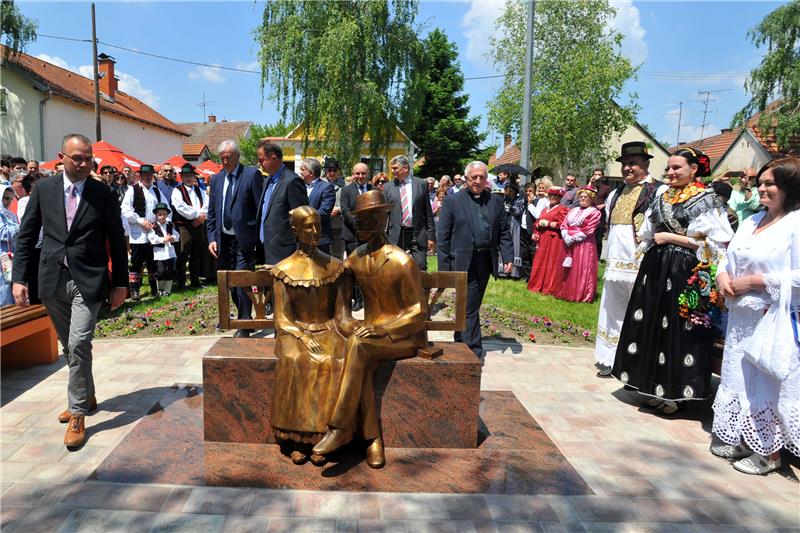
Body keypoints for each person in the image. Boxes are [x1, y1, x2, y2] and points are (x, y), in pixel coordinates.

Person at [11, 133, 128, 449]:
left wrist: (121, 283)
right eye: (77, 158)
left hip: (88, 279)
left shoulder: (102, 193)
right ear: (61, 157)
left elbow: (117, 239)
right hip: (51, 279)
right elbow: (26, 236)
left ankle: (77, 413)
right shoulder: (44, 190)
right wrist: (19, 278)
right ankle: (87, 396)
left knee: (78, 343)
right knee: (69, 345)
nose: (83, 163)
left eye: (87, 158)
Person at [611, 147, 733, 414]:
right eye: (668, 168)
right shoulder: (662, 196)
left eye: (677, 168)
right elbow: (646, 232)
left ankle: (675, 393)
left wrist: (671, 238)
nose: (671, 172)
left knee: (678, 327)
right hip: (656, 267)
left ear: (694, 169)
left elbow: (716, 243)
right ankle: (653, 385)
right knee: (653, 324)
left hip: (684, 269)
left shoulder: (706, 199)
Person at [312, 190, 429, 468]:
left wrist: (383, 330)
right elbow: (342, 313)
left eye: (366, 220)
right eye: (358, 220)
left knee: (359, 347)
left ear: (382, 220)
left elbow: (418, 312)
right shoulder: (354, 259)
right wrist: (352, 326)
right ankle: (372, 440)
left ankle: (340, 428)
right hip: (368, 339)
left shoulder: (402, 261)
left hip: (403, 337)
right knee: (356, 348)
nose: (360, 225)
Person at [711, 157, 800, 475]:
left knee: (765, 381)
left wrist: (754, 281)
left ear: (789, 186)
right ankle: (742, 436)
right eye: (760, 182)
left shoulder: (796, 223)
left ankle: (769, 452)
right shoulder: (752, 220)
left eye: (769, 183)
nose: (761, 187)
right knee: (739, 377)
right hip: (740, 319)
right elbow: (728, 253)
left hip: (772, 317)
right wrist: (722, 275)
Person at [270, 206, 348, 466]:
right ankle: (298, 438)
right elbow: (281, 318)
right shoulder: (284, 270)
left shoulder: (335, 267)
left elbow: (341, 315)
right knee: (298, 361)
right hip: (295, 332)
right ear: (295, 230)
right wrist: (302, 337)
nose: (315, 232)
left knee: (334, 360)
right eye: (308, 227)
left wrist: (354, 333)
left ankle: (329, 436)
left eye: (318, 226)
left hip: (329, 329)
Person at [595, 141, 666, 376]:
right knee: (611, 308)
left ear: (646, 164)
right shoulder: (615, 192)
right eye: (625, 164)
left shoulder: (658, 191)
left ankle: (634, 361)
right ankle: (609, 357)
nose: (627, 168)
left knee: (639, 311)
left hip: (640, 260)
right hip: (615, 260)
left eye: (633, 163)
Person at [437, 161, 513, 360]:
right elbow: (443, 237)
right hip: (462, 261)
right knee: (470, 305)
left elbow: (504, 231)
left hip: (486, 260)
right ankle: (472, 351)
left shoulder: (495, 201)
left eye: (481, 177)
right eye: (474, 177)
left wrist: (508, 256)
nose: (478, 181)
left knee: (470, 305)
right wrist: (444, 269)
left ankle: (460, 340)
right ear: (466, 178)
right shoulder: (453, 201)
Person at [206, 140, 264, 338]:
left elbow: (259, 210)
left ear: (237, 156)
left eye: (228, 157)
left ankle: (244, 325)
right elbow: (212, 212)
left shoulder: (251, 175)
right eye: (221, 157)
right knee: (230, 283)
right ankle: (245, 320)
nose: (224, 160)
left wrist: (257, 238)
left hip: (244, 241)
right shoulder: (216, 179)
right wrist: (211, 237)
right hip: (223, 241)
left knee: (242, 282)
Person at [257, 141, 308, 266]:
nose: (260, 164)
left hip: (285, 252)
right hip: (265, 248)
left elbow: (301, 219)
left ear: (273, 158)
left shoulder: (292, 181)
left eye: (262, 160)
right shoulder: (267, 180)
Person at [121, 164, 166, 301]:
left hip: (153, 233)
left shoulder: (157, 191)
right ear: (139, 176)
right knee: (136, 263)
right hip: (138, 234)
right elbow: (125, 210)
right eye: (145, 175)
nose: (147, 177)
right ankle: (135, 290)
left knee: (152, 263)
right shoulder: (132, 190)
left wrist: (159, 222)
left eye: (150, 175)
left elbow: (165, 207)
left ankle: (154, 288)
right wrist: (140, 221)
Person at [383, 155, 435, 271]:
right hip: (397, 233)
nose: (392, 171)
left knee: (420, 266)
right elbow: (384, 213)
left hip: (417, 233)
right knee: (395, 267)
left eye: (395, 168)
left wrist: (431, 236)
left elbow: (428, 212)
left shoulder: (421, 184)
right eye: (392, 168)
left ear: (405, 168)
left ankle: (419, 289)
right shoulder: (388, 187)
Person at [554, 187, 602, 302]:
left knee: (581, 267)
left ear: (591, 199)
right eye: (581, 196)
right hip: (568, 242)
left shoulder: (595, 212)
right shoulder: (573, 210)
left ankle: (580, 293)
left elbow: (589, 229)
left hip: (584, 244)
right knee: (567, 266)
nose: (583, 198)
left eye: (586, 197)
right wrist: (566, 235)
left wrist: (574, 237)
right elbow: (564, 224)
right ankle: (564, 290)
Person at [340, 162, 372, 311]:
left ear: (368, 174)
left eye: (363, 173)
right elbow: (345, 210)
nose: (360, 176)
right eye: (357, 173)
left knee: (368, 269)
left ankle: (369, 299)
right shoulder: (346, 190)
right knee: (354, 269)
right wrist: (359, 226)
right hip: (352, 235)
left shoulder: (373, 189)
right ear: (353, 174)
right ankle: (357, 299)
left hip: (370, 236)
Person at [171, 163, 208, 289]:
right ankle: (181, 282)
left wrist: (202, 217)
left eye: (190, 176)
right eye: (186, 176)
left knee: (197, 254)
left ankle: (195, 280)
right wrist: (197, 215)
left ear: (194, 177)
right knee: (183, 254)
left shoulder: (200, 190)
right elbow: (180, 207)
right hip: (185, 226)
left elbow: (207, 205)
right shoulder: (177, 190)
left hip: (199, 225)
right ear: (181, 177)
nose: (188, 178)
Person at [528, 188, 568, 295]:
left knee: (552, 262)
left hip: (555, 239)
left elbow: (563, 225)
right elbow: (537, 221)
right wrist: (536, 229)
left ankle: (549, 287)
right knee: (540, 261)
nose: (553, 197)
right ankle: (537, 285)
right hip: (543, 238)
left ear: (560, 198)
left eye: (556, 196)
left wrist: (549, 224)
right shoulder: (544, 209)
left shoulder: (562, 209)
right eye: (551, 195)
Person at [299, 158, 335, 255]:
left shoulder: (326, 188)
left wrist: (303, 219)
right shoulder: (298, 186)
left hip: (319, 239)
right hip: (301, 239)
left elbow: (324, 211)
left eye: (303, 169)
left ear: (311, 173)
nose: (300, 172)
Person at [147, 203, 180, 297]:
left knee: (169, 270)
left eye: (164, 214)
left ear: (167, 215)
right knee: (161, 271)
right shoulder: (153, 227)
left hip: (169, 252)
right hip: (159, 252)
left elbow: (177, 235)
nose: (162, 216)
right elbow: (152, 238)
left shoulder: (170, 225)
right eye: (160, 214)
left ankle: (167, 290)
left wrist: (172, 238)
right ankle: (160, 289)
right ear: (156, 215)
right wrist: (163, 239)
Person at [499, 182, 525, 279]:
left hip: (514, 224)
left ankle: (514, 271)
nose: (508, 193)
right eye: (506, 191)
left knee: (514, 245)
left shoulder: (519, 200)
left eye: (510, 191)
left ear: (515, 192)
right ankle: (502, 270)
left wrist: (510, 207)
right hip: (504, 223)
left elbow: (518, 211)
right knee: (503, 245)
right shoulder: (503, 199)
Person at [0, 185, 19, 305]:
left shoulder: (9, 214)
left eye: (10, 198)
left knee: (13, 286)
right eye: (5, 198)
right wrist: (22, 227)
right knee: (4, 289)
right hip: (3, 257)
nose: (8, 201)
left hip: (12, 256)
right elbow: (2, 232)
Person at [324, 159, 345, 259]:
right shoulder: (319, 184)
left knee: (337, 255)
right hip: (322, 225)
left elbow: (349, 203)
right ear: (325, 171)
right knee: (322, 255)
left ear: (339, 172)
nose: (332, 173)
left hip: (338, 226)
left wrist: (339, 209)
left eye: (335, 171)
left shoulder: (344, 186)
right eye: (329, 170)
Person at [588, 168, 612, 257]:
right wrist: (590, 182)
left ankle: (597, 256)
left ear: (602, 176)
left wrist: (602, 205)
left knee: (598, 236)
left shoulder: (606, 188)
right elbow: (585, 192)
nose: (597, 176)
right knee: (588, 234)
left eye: (599, 174)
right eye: (595, 174)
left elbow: (609, 201)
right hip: (589, 213)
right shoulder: (591, 186)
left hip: (600, 214)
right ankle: (587, 254)